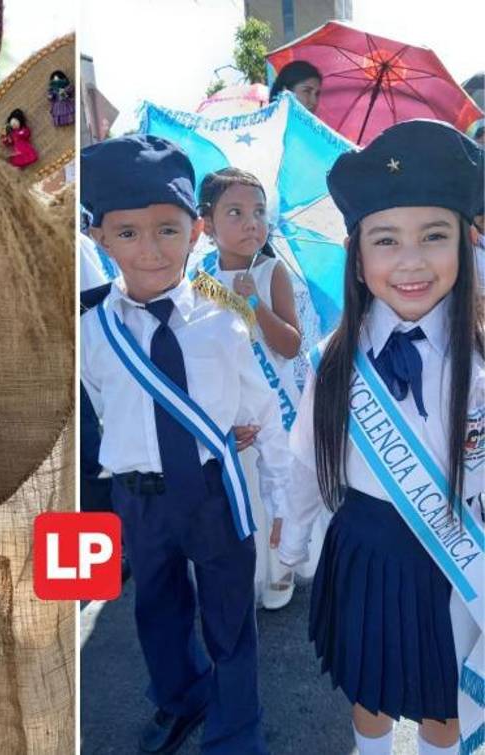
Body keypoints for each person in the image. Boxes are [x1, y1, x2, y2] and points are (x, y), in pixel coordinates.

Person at [279, 119, 485, 755]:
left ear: (466, 246)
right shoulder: (332, 361)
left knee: (445, 705)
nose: (412, 261)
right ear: (359, 259)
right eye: (387, 240)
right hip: (367, 547)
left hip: (459, 557)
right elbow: (308, 465)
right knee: (368, 693)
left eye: (434, 236)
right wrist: (290, 545)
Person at [80, 135, 291, 754]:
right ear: (99, 238)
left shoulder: (224, 312)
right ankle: (181, 699)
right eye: (127, 233)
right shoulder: (91, 326)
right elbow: (99, 405)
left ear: (195, 230)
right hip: (139, 496)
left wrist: (281, 496)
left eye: (168, 230)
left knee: (231, 618)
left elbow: (261, 407)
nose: (150, 249)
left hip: (212, 490)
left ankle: (236, 728)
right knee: (158, 612)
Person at [196, 168, 306, 610]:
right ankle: (252, 566)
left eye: (258, 212)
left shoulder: (271, 271)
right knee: (241, 487)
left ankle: (283, 566)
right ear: (206, 224)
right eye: (236, 212)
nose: (251, 223)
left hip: (274, 397)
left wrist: (253, 303)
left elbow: (291, 345)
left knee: (280, 476)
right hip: (228, 401)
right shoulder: (198, 279)